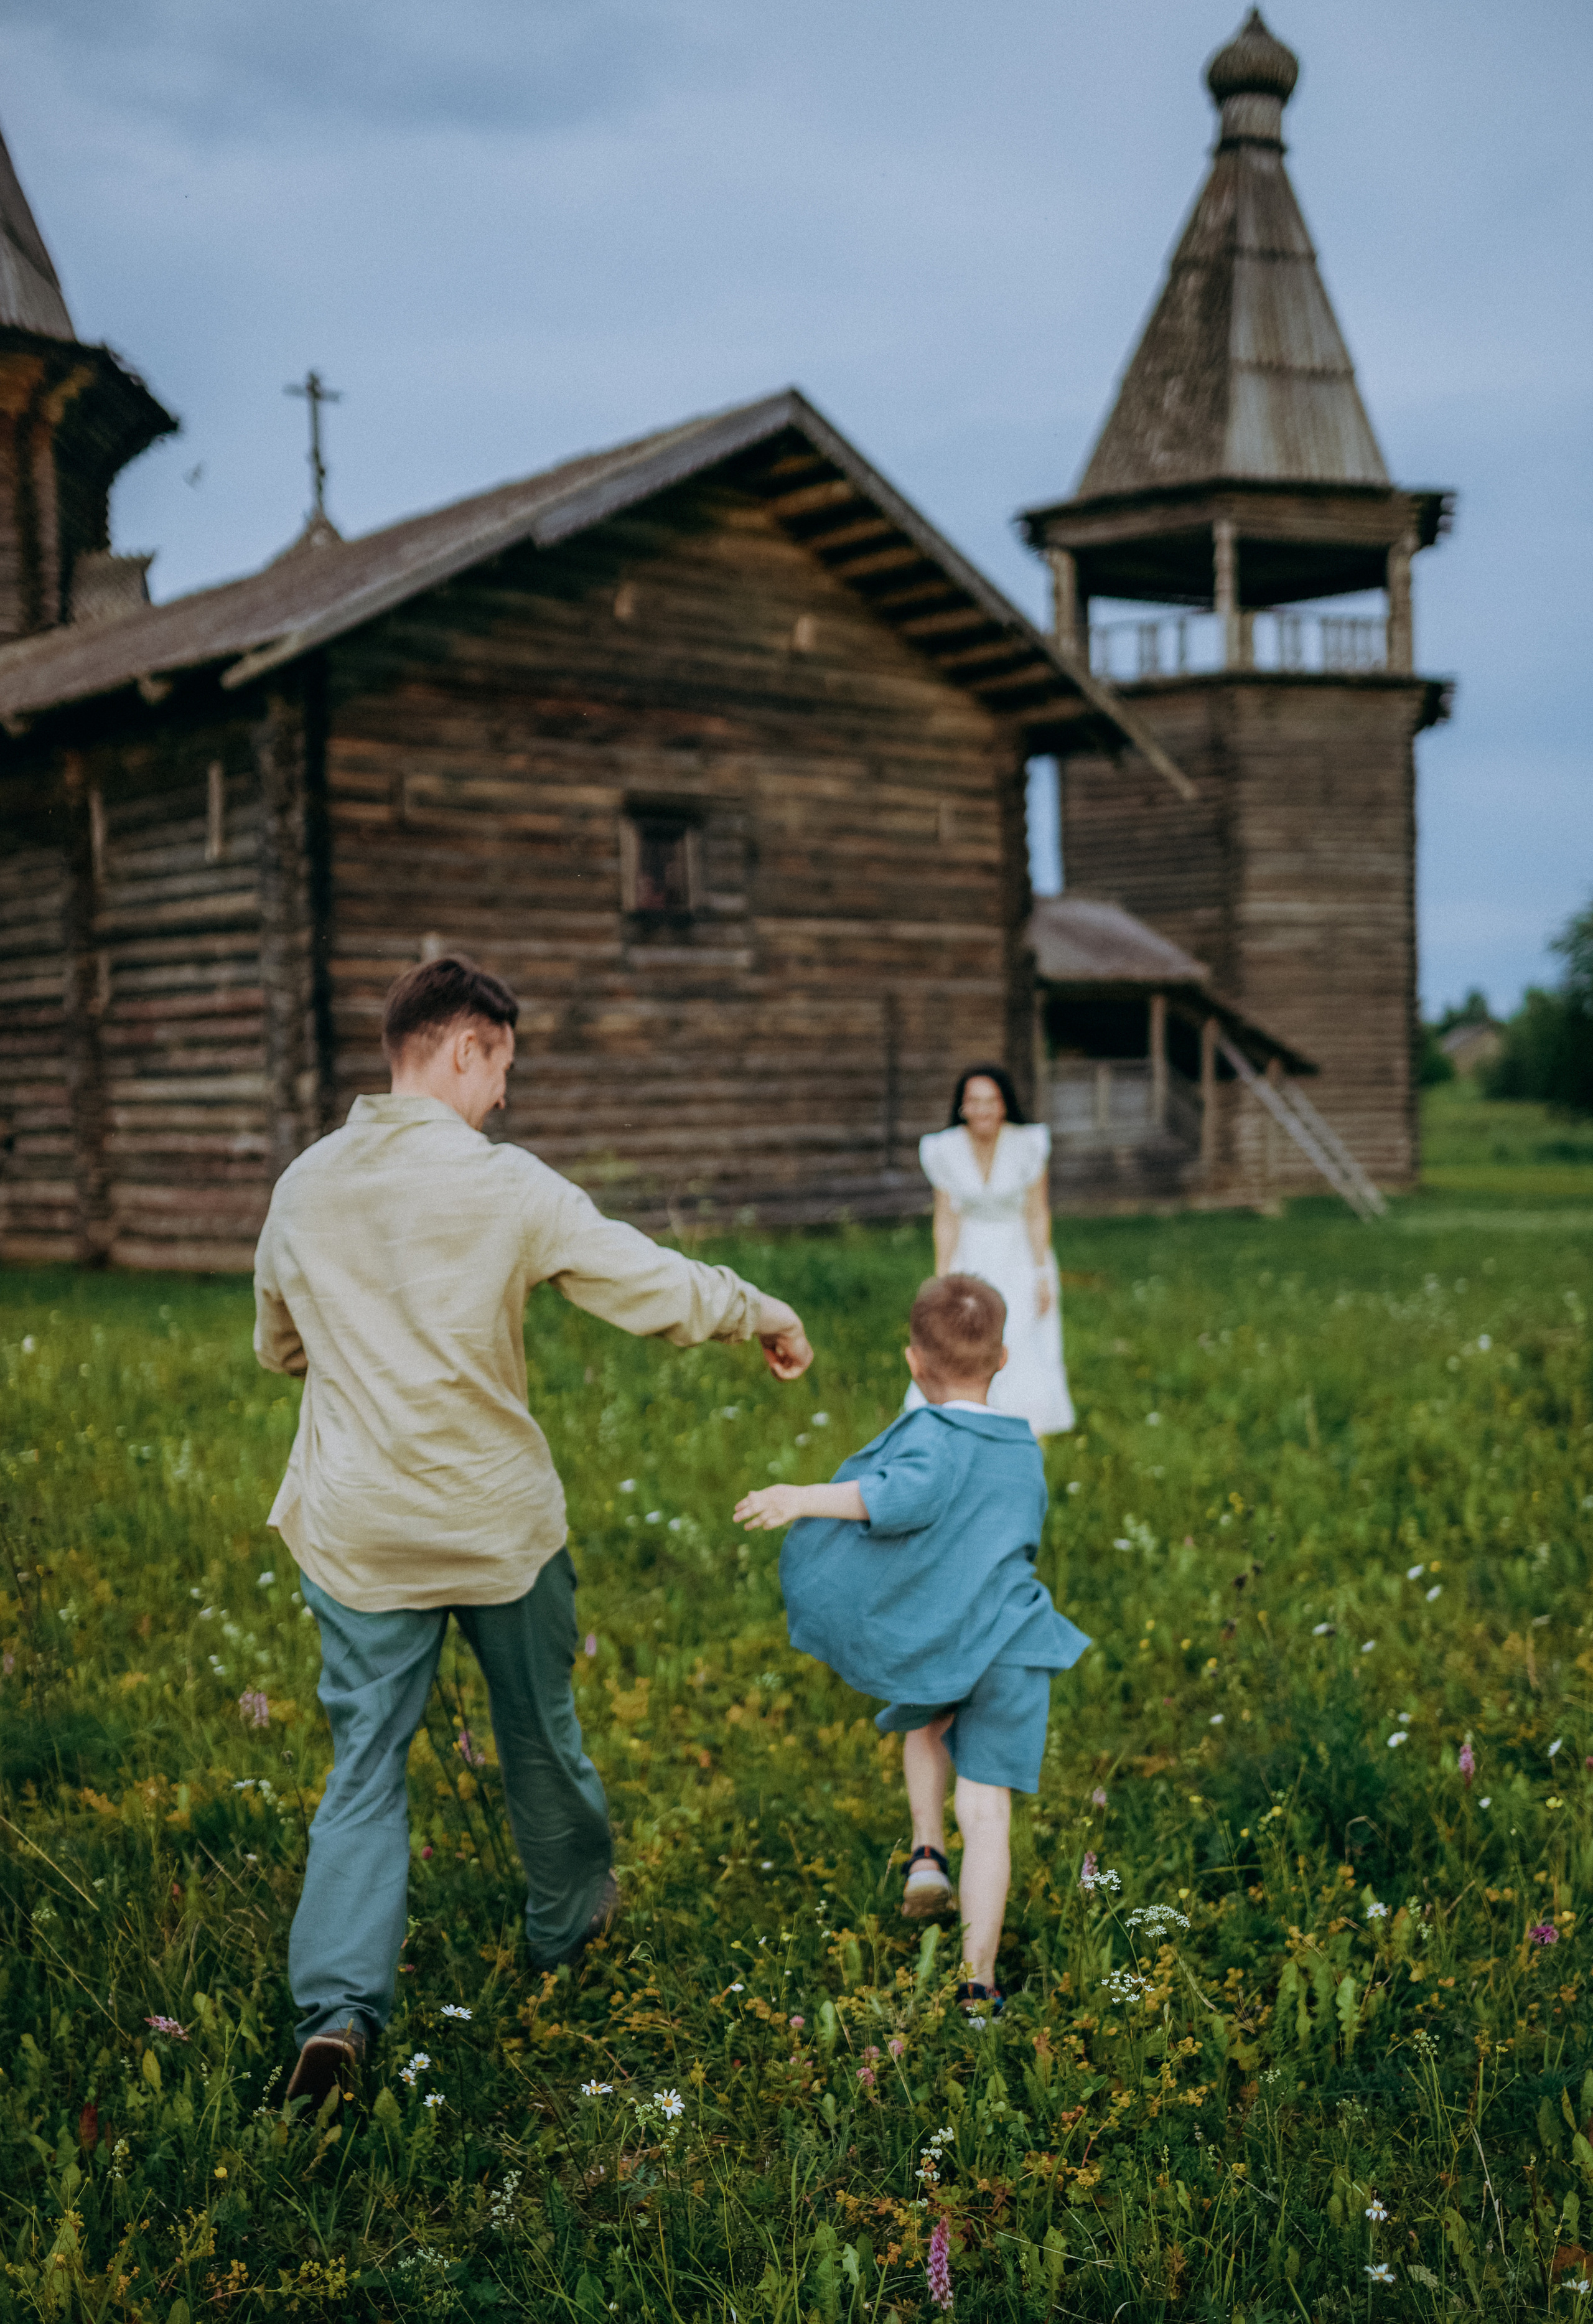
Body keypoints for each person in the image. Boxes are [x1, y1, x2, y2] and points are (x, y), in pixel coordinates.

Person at [254, 954, 813, 2112]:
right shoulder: (507, 1183)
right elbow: (648, 1282)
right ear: (464, 1047)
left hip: (358, 1530)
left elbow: (280, 1343)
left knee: (364, 1766)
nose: (505, 1093)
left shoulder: (304, 1184)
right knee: (541, 1732)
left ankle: (341, 2011)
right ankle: (569, 1926)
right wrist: (759, 1305)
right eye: (502, 1063)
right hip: (495, 1519)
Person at [734, 1273, 1088, 2013]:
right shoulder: (1023, 1446)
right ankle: (978, 1982)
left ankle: (927, 1849)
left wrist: (798, 1498)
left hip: (944, 1637)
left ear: (912, 1362)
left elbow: (897, 1497)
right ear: (1003, 1358)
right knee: (988, 1813)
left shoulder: (932, 1437)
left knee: (923, 1721)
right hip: (1014, 1643)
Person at [911, 1062, 1073, 1437]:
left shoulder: (1028, 1144)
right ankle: (961, 1417)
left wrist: (1041, 1273)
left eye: (991, 1101)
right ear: (962, 1107)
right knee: (965, 1332)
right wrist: (942, 1274)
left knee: (1021, 1332)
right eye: (974, 1102)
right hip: (971, 1251)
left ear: (1004, 1105)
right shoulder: (944, 1148)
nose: (983, 1110)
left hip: (1018, 1250)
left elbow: (1036, 1211)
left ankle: (1030, 1422)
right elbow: (947, 1218)